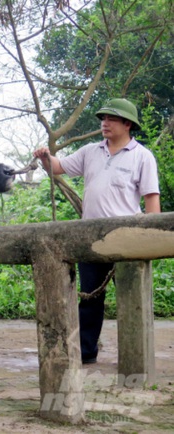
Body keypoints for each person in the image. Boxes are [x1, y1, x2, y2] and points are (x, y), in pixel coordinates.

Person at [33, 98, 161, 364]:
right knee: (90, 297)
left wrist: (151, 239)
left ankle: (137, 357)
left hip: (127, 236)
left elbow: (151, 199)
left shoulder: (142, 156)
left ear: (127, 124)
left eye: (111, 119)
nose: (105, 123)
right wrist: (46, 158)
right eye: (103, 118)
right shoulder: (91, 151)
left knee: (132, 297)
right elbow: (58, 167)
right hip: (90, 236)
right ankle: (86, 353)